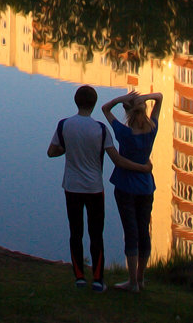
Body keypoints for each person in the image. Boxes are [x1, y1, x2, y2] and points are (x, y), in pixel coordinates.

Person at [48, 85, 153, 292]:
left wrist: (69, 147)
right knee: (96, 233)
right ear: (94, 104)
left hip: (72, 186)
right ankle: (97, 279)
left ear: (76, 102)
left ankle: (79, 276)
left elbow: (52, 152)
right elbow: (117, 160)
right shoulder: (100, 129)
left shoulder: (64, 125)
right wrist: (143, 167)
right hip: (94, 188)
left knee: (75, 232)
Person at [102, 90, 163, 293]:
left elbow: (105, 109)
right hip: (146, 186)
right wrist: (142, 100)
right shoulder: (152, 129)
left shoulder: (124, 133)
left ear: (127, 112)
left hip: (126, 186)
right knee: (143, 230)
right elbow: (160, 97)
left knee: (131, 231)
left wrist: (120, 99)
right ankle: (141, 278)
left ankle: (132, 282)